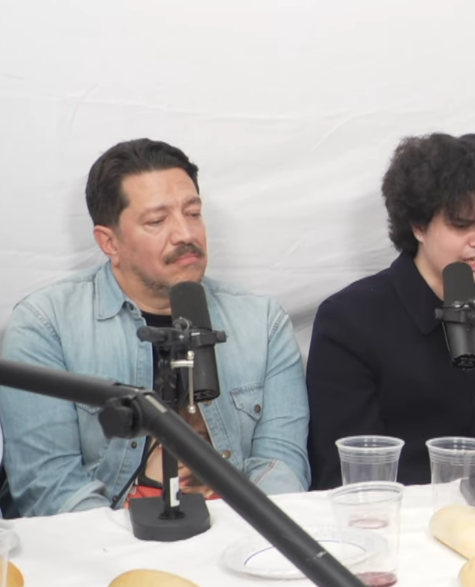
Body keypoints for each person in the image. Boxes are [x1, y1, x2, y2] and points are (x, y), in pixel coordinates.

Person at [0, 139, 310, 517]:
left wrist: (234, 540)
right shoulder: (45, 326)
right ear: (109, 242)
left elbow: (282, 466)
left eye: (193, 213)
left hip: (239, 535)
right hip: (107, 540)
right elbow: (49, 486)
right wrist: (124, 548)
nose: (185, 234)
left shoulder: (263, 322)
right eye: (157, 221)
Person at [305, 133, 475, 489]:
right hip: (397, 516)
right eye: (462, 224)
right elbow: (349, 470)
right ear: (418, 225)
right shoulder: (349, 321)